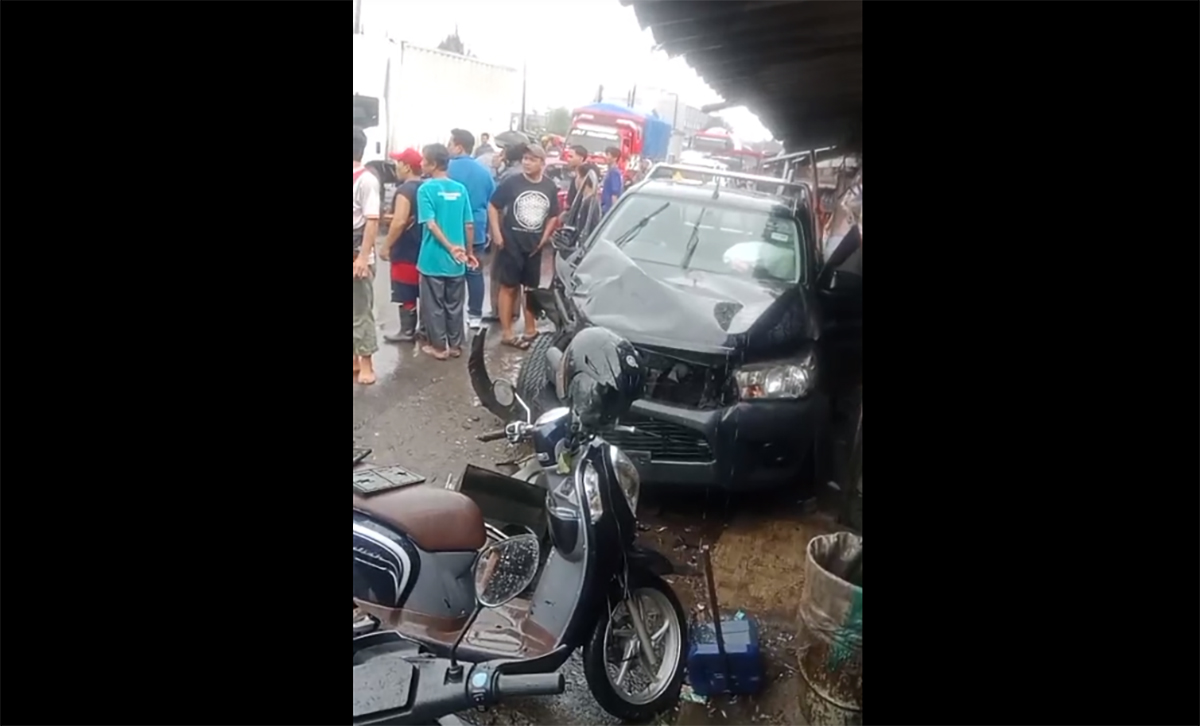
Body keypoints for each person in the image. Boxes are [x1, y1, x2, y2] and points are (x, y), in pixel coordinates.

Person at [488, 144, 560, 349]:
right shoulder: (512, 183)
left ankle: (530, 328)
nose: (527, 163)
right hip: (511, 243)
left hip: (534, 247)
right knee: (508, 287)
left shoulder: (549, 186)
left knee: (531, 289)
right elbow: (493, 205)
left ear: (542, 163)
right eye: (525, 159)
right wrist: (497, 233)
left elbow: (553, 215)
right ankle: (507, 332)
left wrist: (545, 237)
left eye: (532, 159)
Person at [416, 143, 478, 360]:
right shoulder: (460, 189)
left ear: (433, 164)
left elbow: (431, 224)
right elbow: (469, 224)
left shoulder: (425, 189)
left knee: (433, 305)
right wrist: (468, 252)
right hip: (457, 261)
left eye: (424, 160)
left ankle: (439, 347)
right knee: (454, 304)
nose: (421, 163)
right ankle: (456, 345)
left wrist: (449, 247)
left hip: (432, 258)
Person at [448, 128, 497, 329]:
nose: (448, 148)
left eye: (450, 144)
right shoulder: (484, 172)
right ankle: (475, 316)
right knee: (474, 273)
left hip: (449, 230)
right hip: (476, 229)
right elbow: (492, 200)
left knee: (451, 275)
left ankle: (452, 317)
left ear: (459, 147)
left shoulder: (447, 168)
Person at [380, 148, 424, 343]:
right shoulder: (424, 187)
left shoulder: (405, 190)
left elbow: (400, 221)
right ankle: (422, 328)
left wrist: (385, 246)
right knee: (420, 290)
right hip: (421, 247)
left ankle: (406, 331)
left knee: (405, 290)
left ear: (407, 166)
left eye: (398, 162)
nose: (396, 166)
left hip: (405, 249)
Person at [353, 127, 382, 385]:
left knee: (360, 309)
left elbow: (372, 222)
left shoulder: (366, 180)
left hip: (356, 253)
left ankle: (366, 363)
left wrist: (363, 258)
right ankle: (355, 357)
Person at [562, 162, 603, 243]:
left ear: (584, 178)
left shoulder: (589, 204)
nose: (575, 180)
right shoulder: (585, 200)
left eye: (577, 176)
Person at [563, 144, 589, 212]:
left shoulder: (585, 178)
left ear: (581, 159)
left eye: (571, 157)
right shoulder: (576, 177)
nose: (568, 159)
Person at [601, 146, 624, 214]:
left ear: (615, 158)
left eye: (608, 155)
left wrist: (613, 212)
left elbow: (615, 194)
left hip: (608, 209)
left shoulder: (614, 173)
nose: (606, 157)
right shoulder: (610, 171)